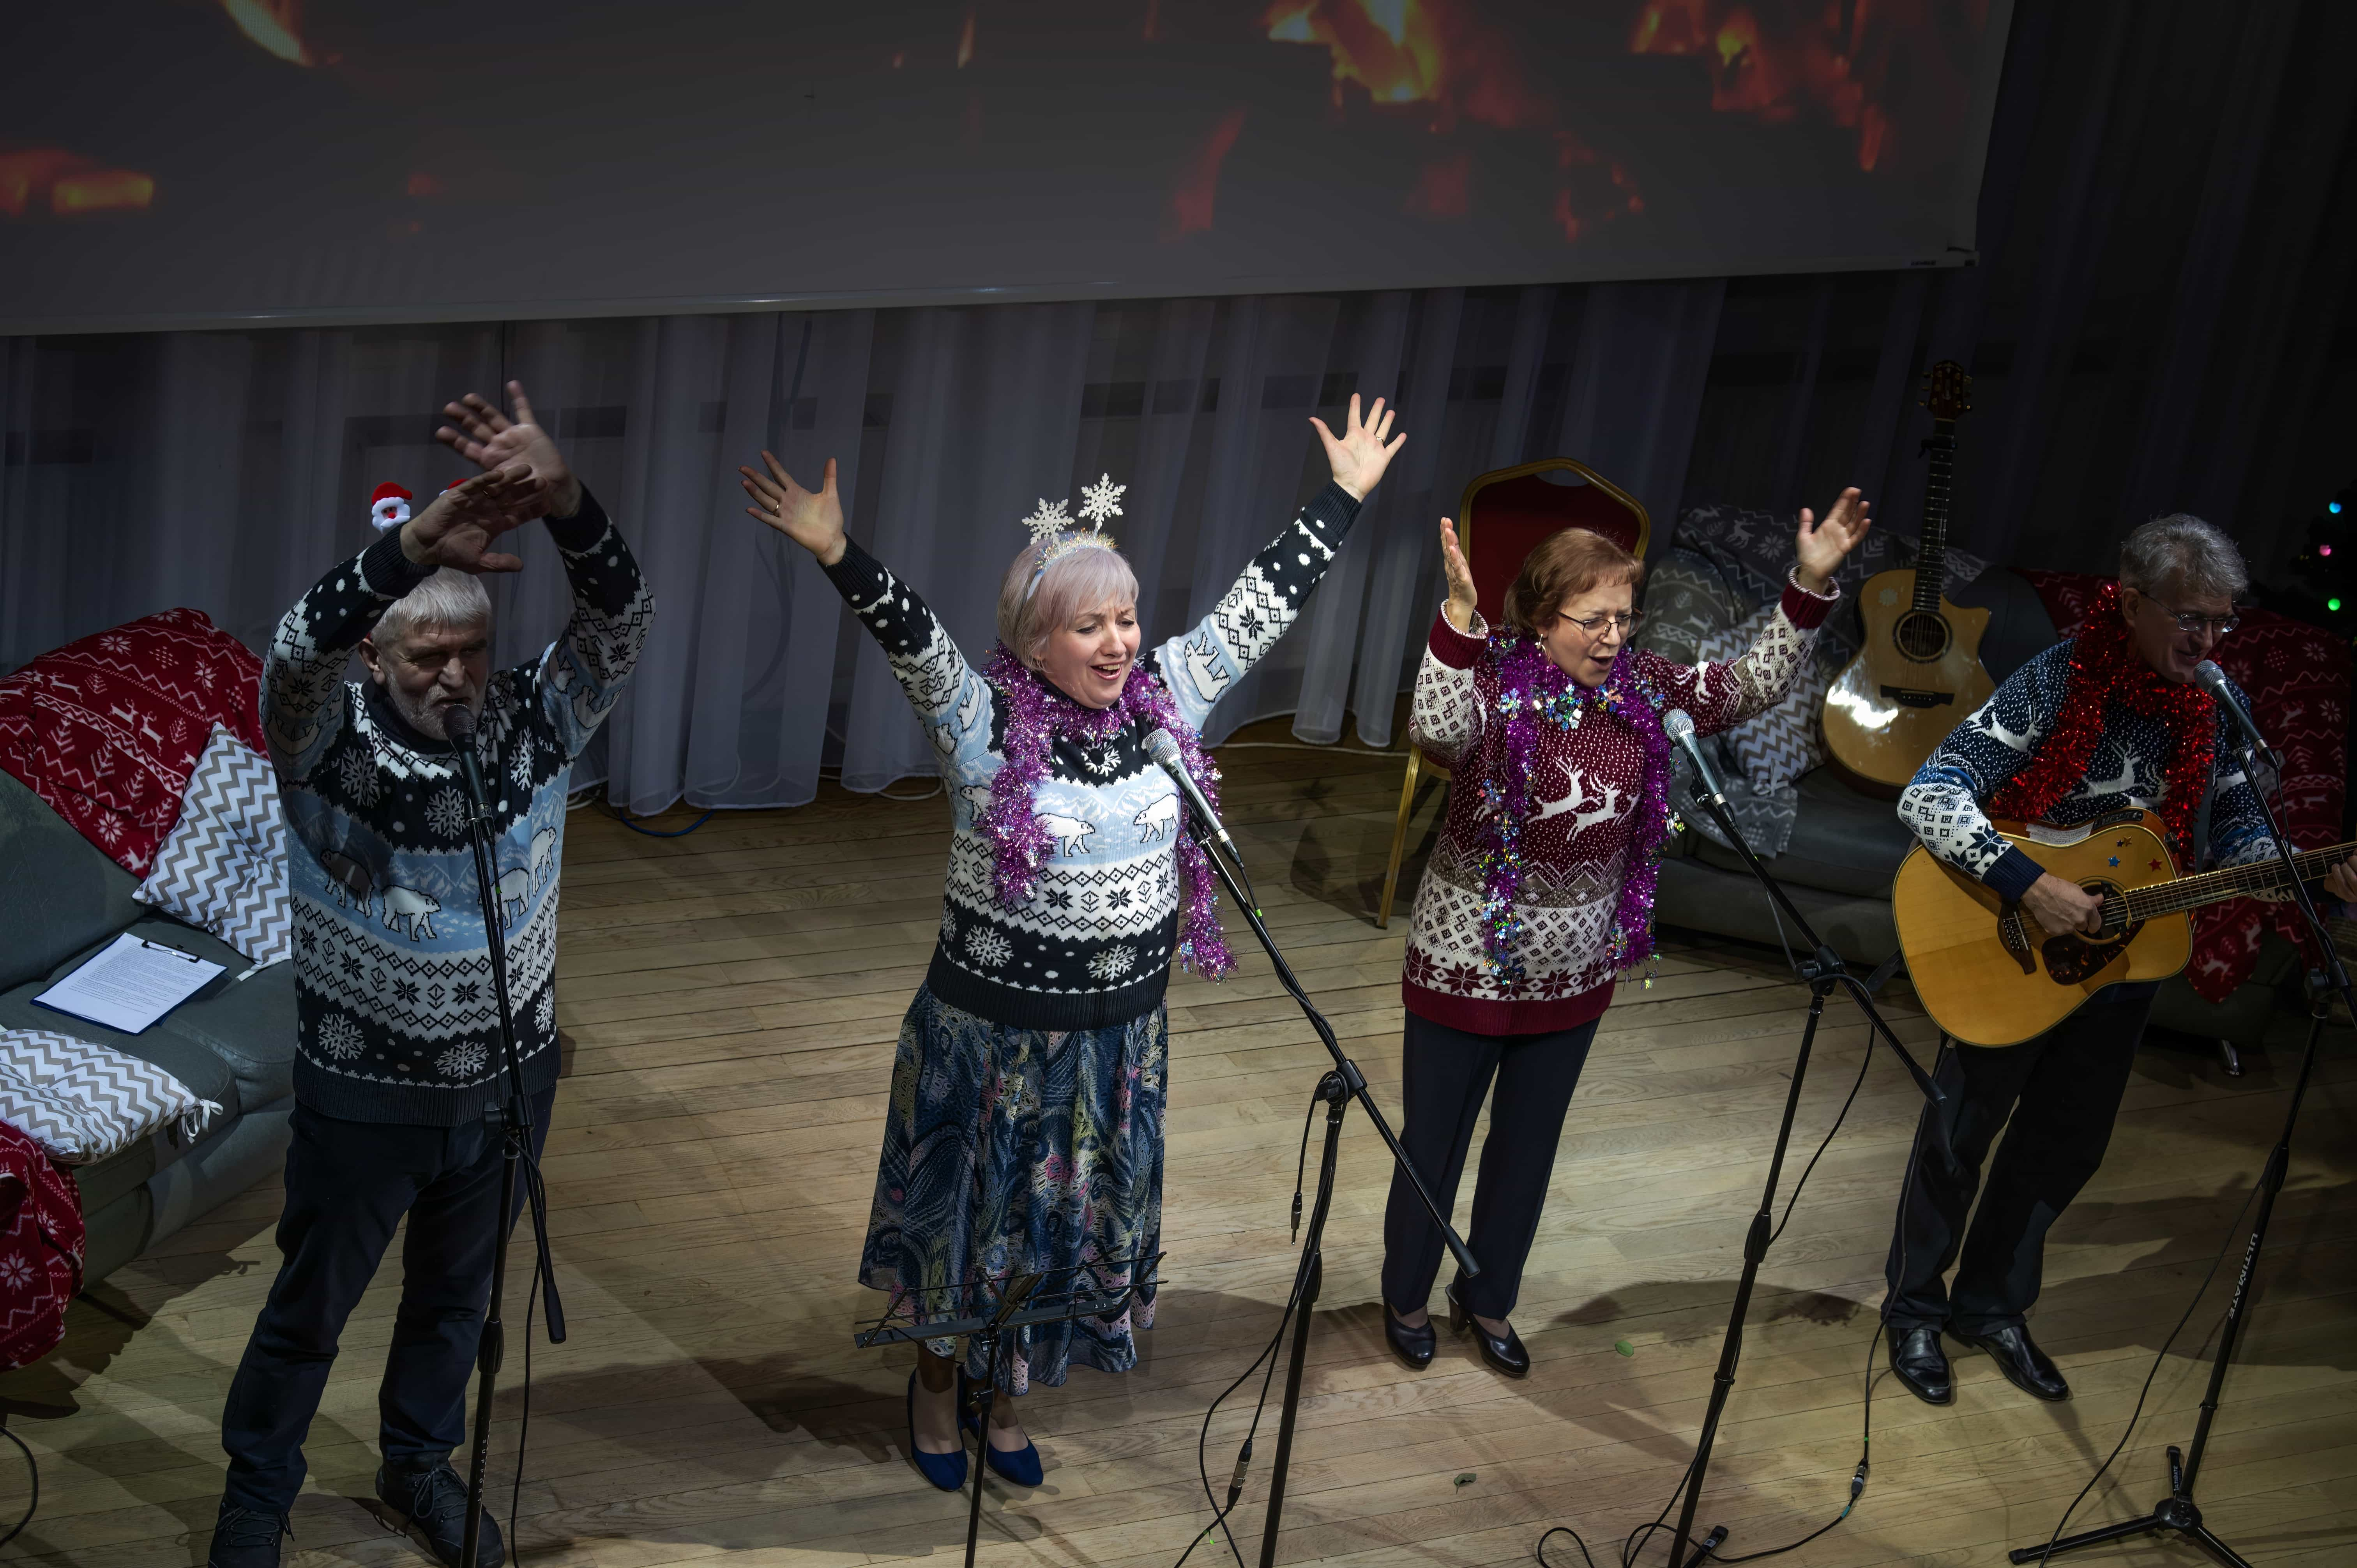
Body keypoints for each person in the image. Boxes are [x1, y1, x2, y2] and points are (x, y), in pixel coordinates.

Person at [738, 395, 1404, 1492]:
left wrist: (1341, 499)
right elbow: (909, 640)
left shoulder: (1167, 704)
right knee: (973, 1232)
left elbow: (1256, 609)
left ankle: (1013, 1395)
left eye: (1129, 618)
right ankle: (942, 1386)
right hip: (995, 1043)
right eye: (1090, 625)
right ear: (1033, 640)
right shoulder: (981, 723)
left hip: (1117, 1044)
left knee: (1059, 1234)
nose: (1120, 643)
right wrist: (839, 552)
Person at [210, 385, 654, 1568]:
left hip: (507, 1090)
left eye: (471, 652)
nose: (455, 677)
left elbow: (622, 617)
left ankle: (419, 1466)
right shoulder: (325, 742)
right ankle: (257, 1496)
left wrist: (564, 501)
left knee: (456, 1306)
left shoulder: (532, 724)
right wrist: (405, 548)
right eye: (427, 654)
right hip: (366, 1097)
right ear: (379, 654)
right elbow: (292, 652)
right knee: (312, 1311)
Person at [1382, 491, 1874, 1375]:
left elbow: (1745, 686)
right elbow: (1438, 728)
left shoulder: (1646, 688)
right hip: (1464, 963)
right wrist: (1457, 619)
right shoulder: (1494, 678)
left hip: (1573, 974)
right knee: (1436, 1143)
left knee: (1527, 1148)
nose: (1612, 635)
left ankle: (1489, 1297)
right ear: (1541, 616)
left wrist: (1807, 585)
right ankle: (1408, 1291)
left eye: (1624, 616)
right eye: (1591, 618)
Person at [1882, 513, 2357, 1406]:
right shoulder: (2058, 681)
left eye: (2223, 621)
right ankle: (1913, 1307)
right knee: (1961, 1135)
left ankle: (1992, 1306)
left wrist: (2302, 868)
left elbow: (2241, 824)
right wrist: (2031, 882)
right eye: (2190, 618)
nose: (2209, 640)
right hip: (2011, 942)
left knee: (2066, 1142)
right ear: (2132, 604)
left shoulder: (2216, 707)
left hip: (2121, 959)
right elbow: (1930, 792)